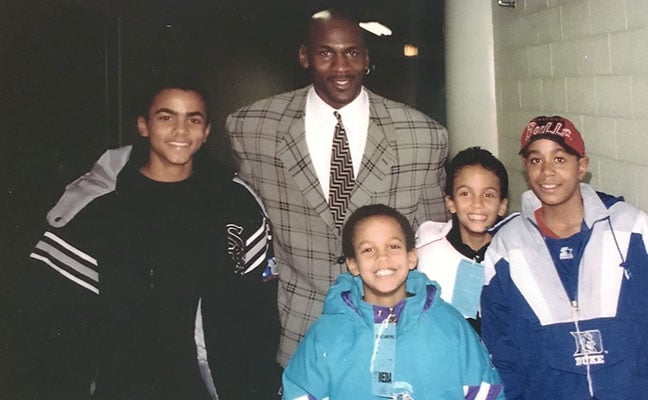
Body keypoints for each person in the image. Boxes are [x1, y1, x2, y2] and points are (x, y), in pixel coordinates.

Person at [23, 79, 280, 399]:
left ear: (207, 131)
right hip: (127, 385)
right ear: (143, 126)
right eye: (166, 117)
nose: (181, 130)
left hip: (216, 386)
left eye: (194, 119)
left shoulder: (235, 203)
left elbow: (260, 310)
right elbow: (57, 320)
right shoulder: (100, 208)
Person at [226, 8, 448, 366]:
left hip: (392, 331)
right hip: (297, 332)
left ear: (367, 58)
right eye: (326, 53)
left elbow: (432, 241)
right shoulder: (253, 129)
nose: (341, 67)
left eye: (352, 53)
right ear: (304, 56)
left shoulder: (421, 136)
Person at [480, 116, 648, 399]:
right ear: (526, 168)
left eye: (560, 159)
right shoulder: (507, 247)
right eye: (536, 160)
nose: (547, 172)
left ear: (581, 166)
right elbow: (500, 348)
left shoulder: (632, 229)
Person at [281, 204, 504, 400]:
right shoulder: (326, 335)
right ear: (353, 264)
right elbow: (300, 392)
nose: (382, 257)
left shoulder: (451, 326)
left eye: (393, 246)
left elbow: (486, 393)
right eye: (368, 249)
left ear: (412, 257)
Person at [415, 146, 512, 335]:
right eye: (465, 194)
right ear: (450, 203)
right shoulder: (427, 253)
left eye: (488, 195)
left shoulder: (513, 255)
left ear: (502, 206)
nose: (477, 204)